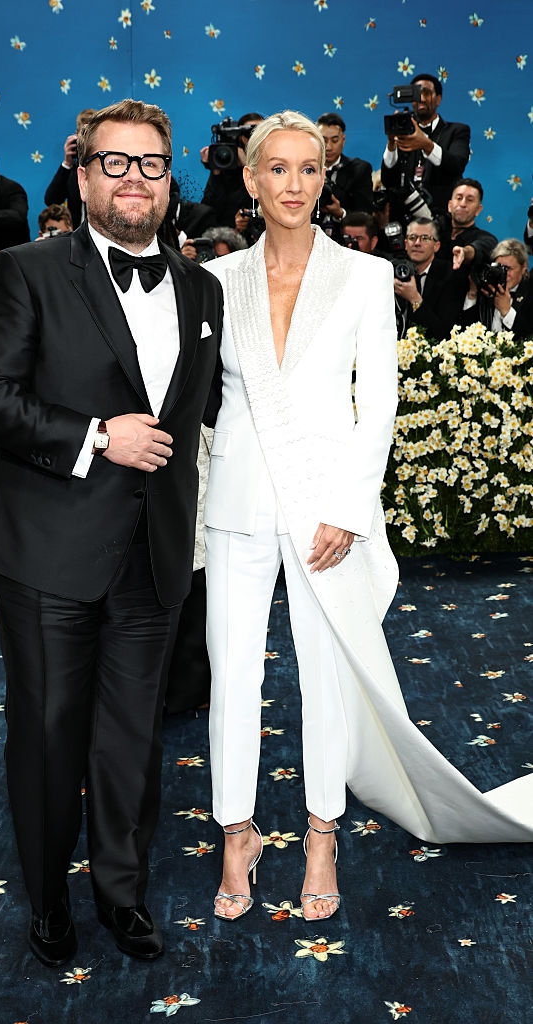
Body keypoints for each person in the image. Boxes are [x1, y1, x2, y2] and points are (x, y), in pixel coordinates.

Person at [202, 110, 533, 927]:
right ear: (249, 180)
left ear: (326, 178)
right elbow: (200, 408)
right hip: (237, 503)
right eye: (274, 169)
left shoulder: (360, 275)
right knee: (230, 681)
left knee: (326, 680)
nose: (291, 184)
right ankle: (235, 834)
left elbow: (376, 407)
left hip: (324, 512)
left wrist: (351, 507)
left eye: (307, 169)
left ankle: (321, 834)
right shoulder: (213, 281)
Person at [0, 98, 223, 966]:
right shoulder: (28, 269)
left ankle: (121, 893)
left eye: (150, 163)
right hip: (47, 551)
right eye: (114, 162)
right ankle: (45, 902)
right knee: (47, 733)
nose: (133, 179)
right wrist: (99, 437)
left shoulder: (200, 286)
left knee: (131, 738)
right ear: (80, 172)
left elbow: (204, 414)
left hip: (153, 555)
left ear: (170, 176)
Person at [381, 74, 470, 215]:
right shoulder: (402, 130)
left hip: (441, 216)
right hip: (404, 218)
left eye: (427, 93)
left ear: (438, 99)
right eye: (416, 93)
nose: (421, 98)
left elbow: (456, 165)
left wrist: (426, 144)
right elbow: (388, 180)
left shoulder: (457, 131)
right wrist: (392, 143)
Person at [393, 217, 466, 340]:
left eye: (425, 238)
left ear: (436, 246)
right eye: (412, 237)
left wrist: (414, 298)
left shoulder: (450, 275)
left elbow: (443, 332)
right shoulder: (394, 271)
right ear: (405, 244)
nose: (417, 243)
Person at [462, 237, 533, 339]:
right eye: (498, 268)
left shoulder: (530, 293)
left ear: (524, 268)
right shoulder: (487, 289)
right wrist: (472, 294)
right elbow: (464, 330)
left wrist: (507, 311)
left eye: (508, 268)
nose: (504, 274)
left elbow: (528, 336)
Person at [315, 113, 373, 234]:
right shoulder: (305, 169)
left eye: (334, 140)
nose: (329, 147)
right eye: (323, 140)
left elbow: (366, 216)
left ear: (343, 140)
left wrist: (340, 213)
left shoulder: (360, 169)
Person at [43, 108, 97, 228]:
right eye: (82, 136)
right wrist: (67, 163)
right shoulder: (73, 170)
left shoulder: (107, 169)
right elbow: (51, 200)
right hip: (77, 234)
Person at [437, 178, 497, 270]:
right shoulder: (435, 231)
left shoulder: (487, 239)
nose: (463, 204)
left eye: (470, 200)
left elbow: (478, 249)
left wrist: (464, 252)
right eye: (459, 198)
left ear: (478, 210)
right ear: (449, 205)